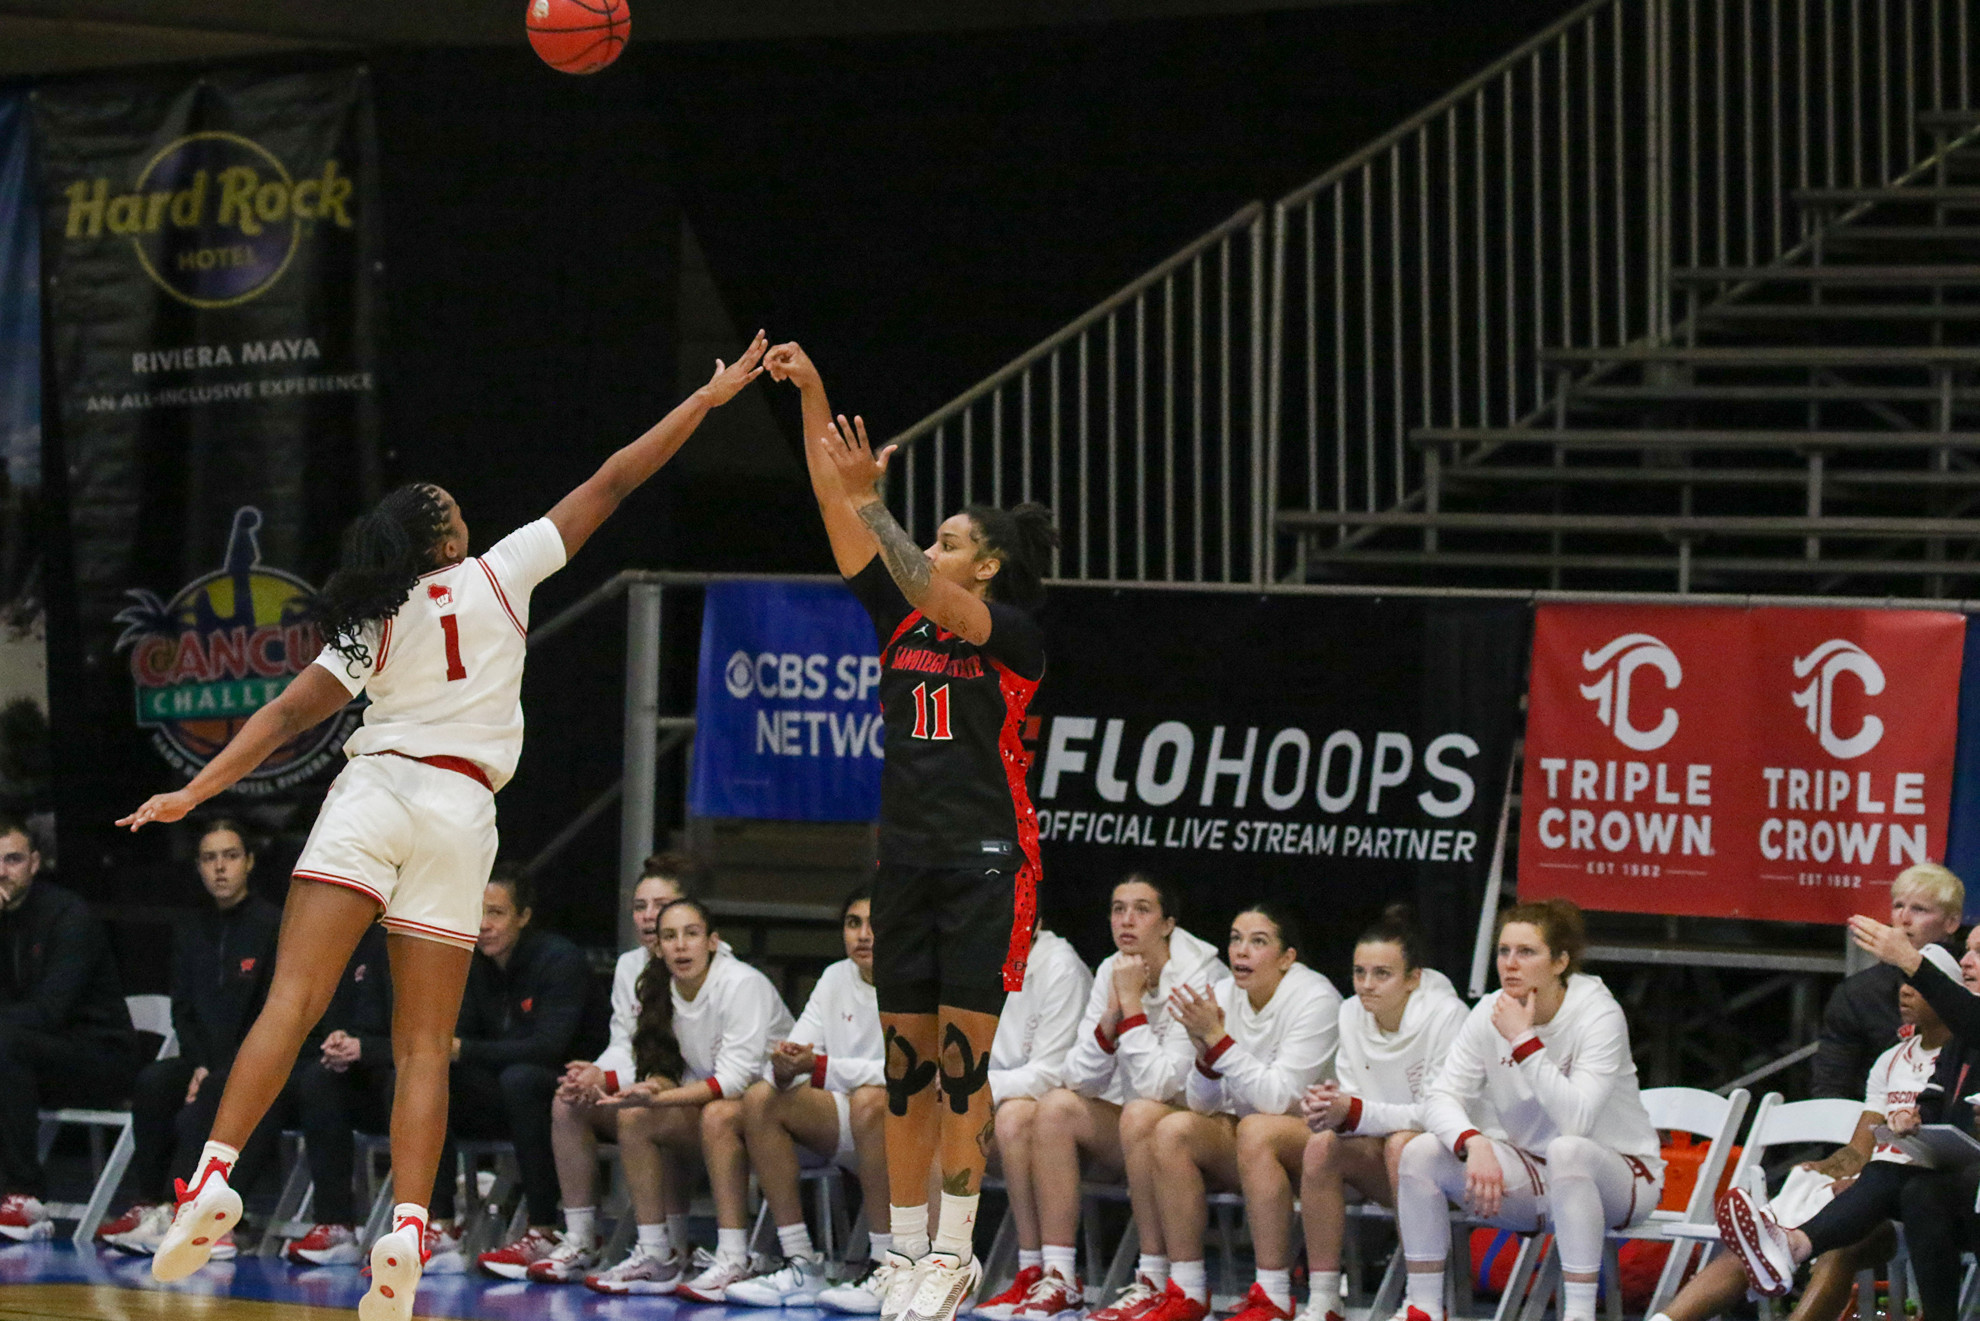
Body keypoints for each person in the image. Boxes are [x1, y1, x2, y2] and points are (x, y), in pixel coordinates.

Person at [114, 332, 768, 1321]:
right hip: (463, 811)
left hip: (377, 788)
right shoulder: (503, 573)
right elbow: (615, 479)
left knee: (290, 1001)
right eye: (458, 512)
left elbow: (288, 717)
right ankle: (410, 1231)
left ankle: (207, 1179)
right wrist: (708, 401)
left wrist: (194, 790)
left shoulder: (373, 614)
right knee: (426, 1046)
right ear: (451, 540)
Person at [768, 341, 1058, 1321]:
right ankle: (899, 1253)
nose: (926, 550)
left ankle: (953, 1252)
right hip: (906, 856)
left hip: (986, 863)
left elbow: (922, 578)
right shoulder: (899, 623)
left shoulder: (1012, 633)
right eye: (924, 536)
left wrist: (878, 506)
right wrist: (812, 392)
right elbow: (832, 504)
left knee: (965, 1066)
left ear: (989, 562)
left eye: (946, 538)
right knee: (905, 1070)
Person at [1652, 941, 1970, 1321]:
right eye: (1903, 981)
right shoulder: (1891, 1060)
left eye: (1919, 983)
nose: (1904, 989)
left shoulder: (1963, 1051)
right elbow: (1861, 1145)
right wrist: (1829, 1167)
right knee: (1767, 1231)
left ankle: (1794, 1245)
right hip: (1875, 1184)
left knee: (1840, 1241)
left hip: (1914, 1196)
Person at [1395, 899, 1664, 1321]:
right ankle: (1424, 1308)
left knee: (1567, 1151)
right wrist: (1473, 1142)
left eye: (1527, 952)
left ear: (1560, 962)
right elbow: (1440, 1096)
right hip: (1536, 1176)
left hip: (1623, 1177)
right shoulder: (1489, 1011)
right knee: (1421, 1152)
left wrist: (1524, 1041)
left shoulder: (1598, 1014)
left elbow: (1576, 1122)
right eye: (1503, 951)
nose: (1510, 964)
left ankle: (1577, 1315)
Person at [1014, 875, 1231, 1321]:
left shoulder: (1202, 975)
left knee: (1141, 1113)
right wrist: (1110, 1021)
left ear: (1168, 923)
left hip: (1200, 1132)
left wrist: (1131, 1007)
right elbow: (1078, 1078)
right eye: (1117, 909)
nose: (1126, 921)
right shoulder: (1113, 968)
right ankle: (1058, 1278)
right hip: (1139, 1130)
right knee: (1056, 1108)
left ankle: (1154, 1279)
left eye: (1142, 909)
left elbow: (1164, 1087)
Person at [513, 851, 708, 1283]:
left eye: (659, 906)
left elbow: (701, 1062)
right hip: (652, 1090)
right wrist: (594, 1076)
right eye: (639, 907)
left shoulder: (713, 966)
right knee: (569, 1102)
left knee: (647, 1109)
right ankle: (581, 1239)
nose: (647, 917)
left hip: (706, 1099)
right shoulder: (629, 966)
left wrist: (621, 1080)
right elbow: (624, 1043)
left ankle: (670, 1246)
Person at [1140, 903, 1340, 1321]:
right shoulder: (1225, 993)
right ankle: (1188, 1289)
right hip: (1252, 1138)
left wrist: (1217, 1039)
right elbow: (1202, 1103)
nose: (1241, 951)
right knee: (1172, 1129)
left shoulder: (1315, 997)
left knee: (1257, 1129)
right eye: (1235, 938)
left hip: (1321, 1145)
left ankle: (1273, 1296)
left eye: (1258, 941)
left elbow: (1281, 1099)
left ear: (1287, 958)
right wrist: (1207, 1059)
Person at [590, 897, 793, 1299]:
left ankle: (735, 1257)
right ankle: (656, 1253)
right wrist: (653, 1088)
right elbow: (668, 1066)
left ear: (713, 941)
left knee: (716, 1115)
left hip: (779, 1115)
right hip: (716, 1112)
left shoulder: (741, 984)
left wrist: (663, 1099)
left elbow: (735, 1080)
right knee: (634, 1118)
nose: (681, 946)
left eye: (691, 934)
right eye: (669, 936)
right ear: (658, 947)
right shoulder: (658, 988)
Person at [102, 819, 280, 1257]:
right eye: (209, 858)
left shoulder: (274, 925)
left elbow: (273, 1015)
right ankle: (151, 1202)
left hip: (261, 1066)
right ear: (199, 868)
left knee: (219, 1090)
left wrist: (217, 1070)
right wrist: (199, 1063)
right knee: (155, 1081)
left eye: (230, 856)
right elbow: (183, 1008)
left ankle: (184, 1209)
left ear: (250, 863)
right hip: (205, 1061)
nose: (220, 868)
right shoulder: (190, 928)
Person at [1295, 907, 1467, 1321]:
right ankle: (1323, 1300)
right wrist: (1328, 1109)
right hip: (1387, 1161)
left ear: (1413, 978)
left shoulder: (1449, 1016)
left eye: (1382, 974)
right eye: (1359, 973)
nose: (1366, 986)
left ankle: (1423, 1304)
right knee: (1320, 1146)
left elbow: (1439, 1114)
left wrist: (1353, 1111)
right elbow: (1356, 1103)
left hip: (1460, 1165)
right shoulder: (1350, 1012)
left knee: (1406, 1146)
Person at [726, 887, 889, 1308]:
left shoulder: (918, 980)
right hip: (848, 1120)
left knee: (871, 1100)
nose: (863, 934)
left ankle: (889, 1264)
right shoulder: (835, 976)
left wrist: (820, 1067)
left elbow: (911, 1075)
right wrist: (782, 1066)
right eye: (853, 924)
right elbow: (798, 1052)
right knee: (761, 1097)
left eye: (875, 923)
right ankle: (801, 1262)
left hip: (910, 1128)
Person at [432, 866, 587, 1271]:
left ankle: (544, 1227)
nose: (483, 925)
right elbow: (454, 1043)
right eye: (477, 912)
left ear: (524, 916)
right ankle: (441, 1223)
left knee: (521, 1079)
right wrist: (461, 1052)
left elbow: (548, 1047)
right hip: (504, 1090)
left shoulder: (559, 960)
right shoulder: (471, 963)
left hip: (572, 1088)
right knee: (429, 1077)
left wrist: (466, 1050)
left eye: (496, 913)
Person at [0, 816, 142, 1241]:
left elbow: (50, 1010)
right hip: (29, 1060)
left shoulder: (69, 915)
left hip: (99, 1057)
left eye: (13, 859)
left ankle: (25, 1197)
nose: (2, 871)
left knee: (5, 1044)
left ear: (36, 862)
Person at [966, 922, 1093, 1321]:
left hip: (1078, 1123)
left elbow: (1049, 1075)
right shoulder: (975, 958)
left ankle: (1044, 1272)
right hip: (1007, 1105)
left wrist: (969, 1086)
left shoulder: (1061, 967)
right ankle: (937, 1268)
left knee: (1015, 1117)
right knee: (930, 1117)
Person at [282, 923, 396, 1267]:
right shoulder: (335, 941)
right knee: (317, 1079)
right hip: (371, 1072)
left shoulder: (409, 943)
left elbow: (431, 1038)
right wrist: (341, 1042)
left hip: (420, 1075)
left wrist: (365, 1047)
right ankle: (335, 1225)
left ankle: (431, 1225)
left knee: (410, 1086)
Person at [1811, 863, 1963, 1099]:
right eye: (1898, 906)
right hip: (1873, 1119)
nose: (1904, 918)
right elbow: (1831, 1086)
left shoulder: (1970, 979)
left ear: (1951, 923)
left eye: (1920, 909)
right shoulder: (1858, 993)